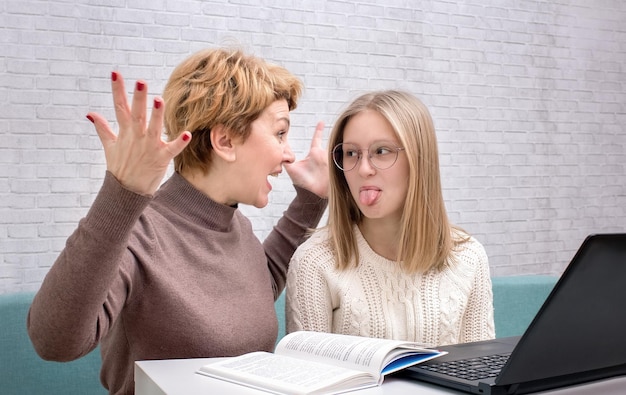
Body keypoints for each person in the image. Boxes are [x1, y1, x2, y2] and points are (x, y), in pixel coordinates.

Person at [27, 47, 328, 395]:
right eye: (279, 133)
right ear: (225, 141)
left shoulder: (236, 225)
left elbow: (255, 286)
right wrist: (121, 194)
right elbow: (54, 342)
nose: (288, 153)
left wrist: (311, 199)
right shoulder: (139, 232)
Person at [285, 90, 494, 347]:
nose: (363, 169)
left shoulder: (468, 257)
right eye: (351, 153)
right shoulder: (314, 261)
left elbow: (479, 375)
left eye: (381, 151)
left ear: (418, 160)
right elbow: (308, 378)